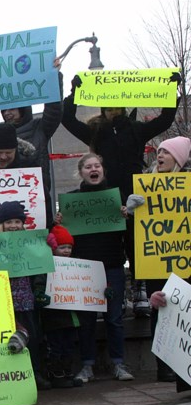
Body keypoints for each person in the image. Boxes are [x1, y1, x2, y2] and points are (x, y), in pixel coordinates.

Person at [63, 71, 180, 315]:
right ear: (103, 108)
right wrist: (75, 93)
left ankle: (140, 288)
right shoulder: (95, 132)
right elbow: (67, 119)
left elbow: (165, 120)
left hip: (135, 195)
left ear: (123, 107)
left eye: (116, 105)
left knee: (137, 242)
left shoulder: (136, 129)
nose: (112, 110)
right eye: (108, 106)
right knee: (110, 245)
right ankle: (102, 292)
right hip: (106, 197)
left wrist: (171, 90)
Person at [123, 136, 191, 382]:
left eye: (166, 152)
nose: (160, 156)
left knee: (184, 312)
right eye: (159, 151)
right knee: (161, 312)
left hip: (184, 260)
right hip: (156, 262)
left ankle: (185, 365)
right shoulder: (146, 186)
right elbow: (137, 233)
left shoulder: (188, 184)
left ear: (178, 159)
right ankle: (164, 367)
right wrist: (131, 213)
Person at [61, 153, 132, 384]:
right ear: (81, 172)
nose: (94, 169)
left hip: (112, 266)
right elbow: (62, 238)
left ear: (102, 170)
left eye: (97, 165)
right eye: (88, 166)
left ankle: (119, 363)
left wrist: (127, 217)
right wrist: (58, 222)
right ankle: (87, 366)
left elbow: (128, 234)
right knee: (87, 320)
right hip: (85, 269)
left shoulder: (116, 197)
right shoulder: (71, 201)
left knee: (114, 319)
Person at [0, 201, 51, 389]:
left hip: (26, 301)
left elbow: (41, 267)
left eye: (17, 222)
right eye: (9, 221)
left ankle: (34, 373)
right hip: (3, 302)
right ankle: (9, 377)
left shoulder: (29, 242)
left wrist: (48, 247)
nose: (13, 226)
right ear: (1, 224)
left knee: (32, 339)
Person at [0, 59, 63, 195]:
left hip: (35, 194)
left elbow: (54, 109)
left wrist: (54, 76)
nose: (7, 113)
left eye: (12, 109)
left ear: (23, 109)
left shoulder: (40, 128)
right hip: (2, 193)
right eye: (4, 110)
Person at [41, 225, 85, 388]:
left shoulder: (76, 265)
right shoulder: (47, 266)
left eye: (69, 247)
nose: (66, 250)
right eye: (62, 247)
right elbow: (41, 284)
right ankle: (57, 374)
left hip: (71, 316)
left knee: (69, 346)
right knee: (56, 346)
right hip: (55, 317)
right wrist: (40, 294)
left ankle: (67, 372)